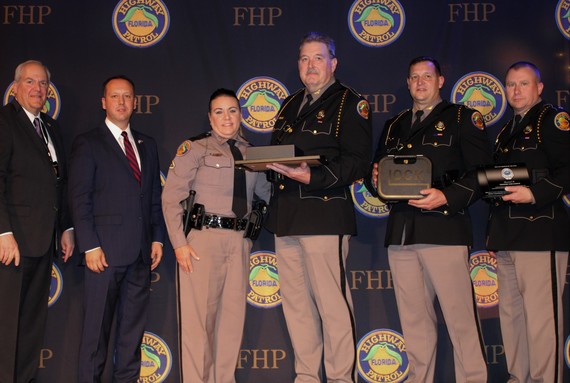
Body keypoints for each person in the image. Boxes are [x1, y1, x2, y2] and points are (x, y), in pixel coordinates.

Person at [365, 56, 490, 382]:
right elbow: (376, 175)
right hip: (402, 233)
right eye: (414, 77)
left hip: (444, 228)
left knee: (461, 321)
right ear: (407, 84)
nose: (420, 83)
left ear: (440, 81)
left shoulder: (463, 118)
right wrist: (374, 178)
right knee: (415, 324)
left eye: (427, 76)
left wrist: (447, 196)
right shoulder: (394, 124)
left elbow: (483, 174)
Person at [265, 32, 372, 383]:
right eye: (304, 59)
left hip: (325, 214)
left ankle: (341, 377)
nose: (310, 65)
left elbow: (357, 162)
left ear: (333, 63)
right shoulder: (289, 104)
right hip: (287, 216)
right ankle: (307, 375)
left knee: (332, 305)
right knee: (297, 306)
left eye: (318, 58)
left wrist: (314, 177)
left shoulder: (349, 102)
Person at [161, 88, 270, 383]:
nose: (227, 117)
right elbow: (171, 198)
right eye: (219, 111)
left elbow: (267, 195)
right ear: (210, 117)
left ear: (241, 115)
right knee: (198, 325)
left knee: (231, 323)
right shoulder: (194, 148)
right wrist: (179, 244)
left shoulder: (253, 154)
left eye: (232, 110)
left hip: (239, 242)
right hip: (202, 241)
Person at [69, 75, 165, 383]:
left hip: (139, 256)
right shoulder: (88, 142)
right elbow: (79, 198)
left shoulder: (146, 145)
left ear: (135, 102)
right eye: (115, 96)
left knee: (131, 339)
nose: (121, 102)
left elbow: (152, 198)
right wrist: (90, 246)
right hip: (103, 257)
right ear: (103, 102)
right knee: (95, 338)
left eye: (127, 97)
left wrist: (157, 240)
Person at [486, 61, 570, 383]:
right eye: (510, 84)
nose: (516, 90)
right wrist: (493, 237)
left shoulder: (553, 120)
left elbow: (567, 169)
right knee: (511, 318)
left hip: (541, 232)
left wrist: (534, 193)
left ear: (539, 88)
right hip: (507, 237)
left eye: (523, 84)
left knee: (541, 320)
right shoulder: (506, 131)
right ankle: (518, 378)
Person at [0, 60, 74, 383]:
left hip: (42, 242)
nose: (37, 89)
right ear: (15, 87)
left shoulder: (50, 127)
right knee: (6, 327)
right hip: (12, 243)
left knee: (31, 326)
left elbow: (60, 183)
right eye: (30, 82)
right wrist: (2, 231)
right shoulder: (4, 122)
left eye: (43, 83)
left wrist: (66, 229)